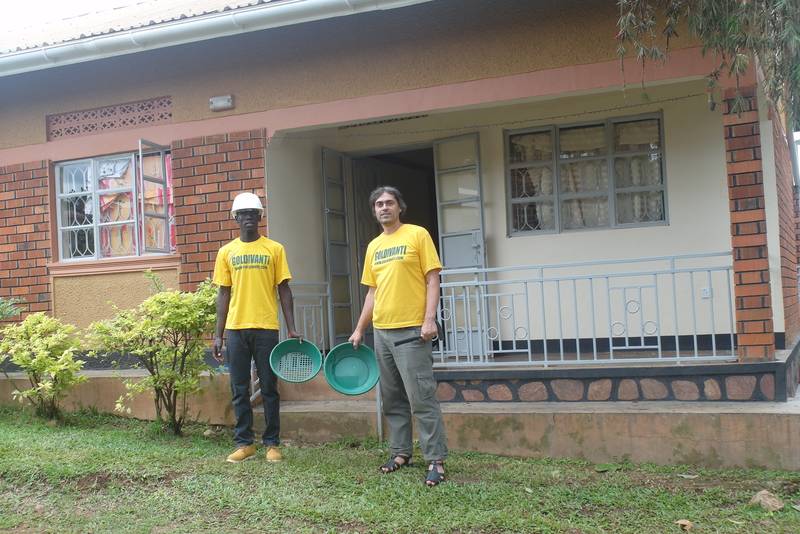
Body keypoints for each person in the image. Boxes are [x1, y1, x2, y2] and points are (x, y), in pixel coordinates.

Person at [348, 186, 448, 487]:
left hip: (412, 331)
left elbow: (433, 279)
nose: (384, 208)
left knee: (421, 397)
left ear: (399, 207)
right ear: (374, 210)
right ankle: (401, 452)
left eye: (389, 202)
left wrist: (429, 319)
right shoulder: (374, 247)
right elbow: (372, 292)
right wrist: (360, 328)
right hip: (382, 332)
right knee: (392, 398)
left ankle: (435, 460)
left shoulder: (417, 235)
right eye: (378, 204)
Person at [212, 192, 301, 463]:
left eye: (254, 213)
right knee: (239, 388)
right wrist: (218, 334)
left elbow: (284, 290)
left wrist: (292, 328)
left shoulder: (274, 249)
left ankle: (272, 443)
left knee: (270, 387)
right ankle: (244, 443)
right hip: (237, 329)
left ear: (260, 217)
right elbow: (223, 294)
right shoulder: (226, 252)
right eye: (243, 213)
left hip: (266, 328)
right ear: (236, 218)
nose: (249, 217)